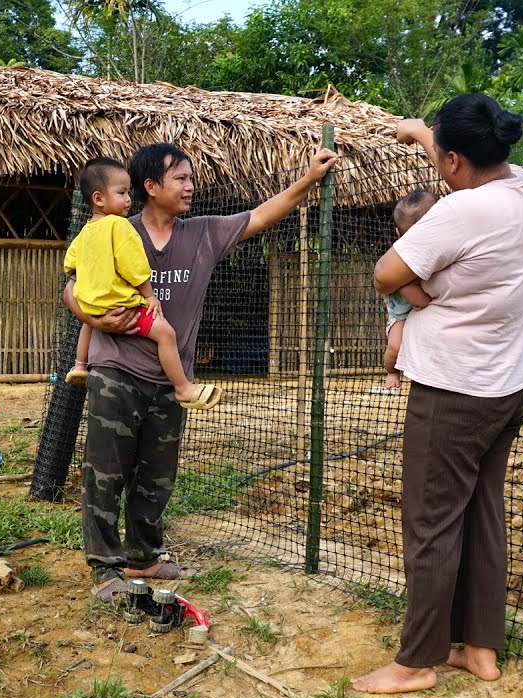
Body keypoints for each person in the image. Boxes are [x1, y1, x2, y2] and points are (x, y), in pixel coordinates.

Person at [63, 142, 338, 601]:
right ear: (150, 187)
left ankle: (143, 555)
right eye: (181, 178)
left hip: (172, 381)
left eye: (191, 178)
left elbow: (261, 216)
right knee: (105, 473)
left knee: (158, 475)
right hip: (116, 370)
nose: (191, 187)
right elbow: (72, 286)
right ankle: (105, 567)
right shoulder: (114, 228)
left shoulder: (204, 233)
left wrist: (308, 180)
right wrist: (91, 317)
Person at [353, 93, 523, 694]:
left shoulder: (459, 211)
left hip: (454, 389)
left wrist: (426, 282)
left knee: (431, 523)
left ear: (456, 160)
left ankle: (416, 662)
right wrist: (418, 130)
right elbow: (461, 157)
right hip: (509, 384)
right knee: (483, 513)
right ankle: (481, 649)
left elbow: (388, 273)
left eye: (442, 153)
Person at [63, 157, 220, 410]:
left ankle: (80, 366)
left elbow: (70, 266)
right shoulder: (119, 225)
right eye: (122, 193)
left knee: (88, 326)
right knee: (166, 334)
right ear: (99, 199)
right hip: (123, 306)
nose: (128, 199)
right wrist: (149, 296)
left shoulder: (84, 233)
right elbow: (134, 267)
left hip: (93, 305)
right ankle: (183, 387)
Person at [381, 190, 437, 389]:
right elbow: (413, 295)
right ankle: (392, 371)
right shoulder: (399, 256)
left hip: (423, 313)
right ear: (398, 235)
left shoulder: (440, 248)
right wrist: (427, 303)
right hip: (402, 314)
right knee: (396, 346)